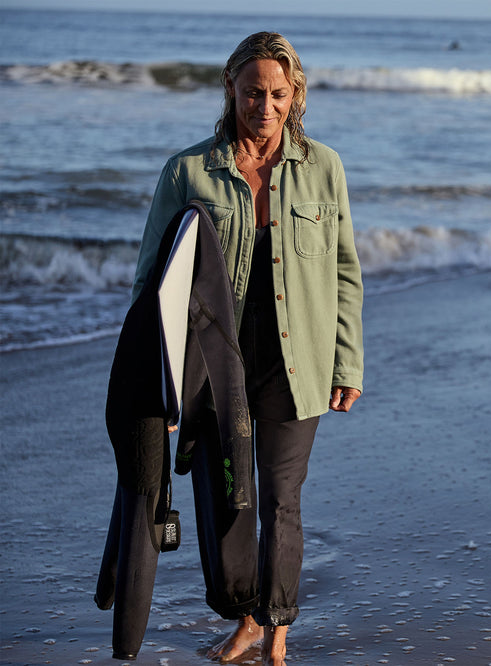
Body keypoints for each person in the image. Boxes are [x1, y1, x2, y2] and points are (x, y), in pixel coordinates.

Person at [131, 32, 364, 666]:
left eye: (278, 94)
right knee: (230, 497)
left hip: (300, 357)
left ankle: (274, 627)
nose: (266, 106)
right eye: (253, 92)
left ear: (296, 97)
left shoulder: (324, 168)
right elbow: (151, 281)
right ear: (230, 88)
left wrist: (348, 364)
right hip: (214, 363)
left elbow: (345, 272)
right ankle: (243, 614)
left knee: (283, 498)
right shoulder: (187, 171)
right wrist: (156, 379)